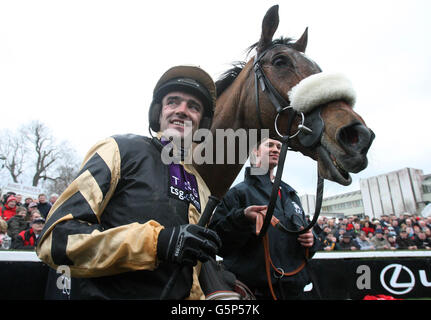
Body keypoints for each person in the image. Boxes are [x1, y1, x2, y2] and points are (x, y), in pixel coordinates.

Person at [36, 65, 221, 300]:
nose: (183, 111)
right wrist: (157, 243)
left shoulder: (202, 187)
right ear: (158, 113)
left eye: (193, 106)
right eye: (173, 102)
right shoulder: (118, 150)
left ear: (201, 122)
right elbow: (55, 240)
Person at [209, 138, 318, 300]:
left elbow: (306, 245)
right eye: (269, 145)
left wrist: (312, 240)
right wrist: (242, 218)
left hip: (295, 291)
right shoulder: (238, 193)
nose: (276, 149)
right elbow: (217, 243)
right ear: (255, 151)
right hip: (255, 292)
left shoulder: (291, 195)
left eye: (279, 147)